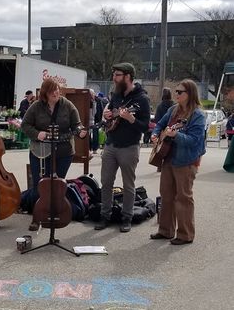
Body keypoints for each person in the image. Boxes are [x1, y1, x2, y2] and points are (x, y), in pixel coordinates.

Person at [21, 77, 87, 231]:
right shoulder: (36, 106)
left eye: (57, 89)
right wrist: (37, 134)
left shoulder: (67, 105)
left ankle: (55, 215)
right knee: (40, 185)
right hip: (40, 151)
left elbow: (76, 125)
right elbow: (25, 125)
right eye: (52, 90)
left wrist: (81, 132)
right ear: (45, 93)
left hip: (63, 151)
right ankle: (37, 217)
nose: (56, 93)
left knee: (57, 184)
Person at [94, 62, 150, 233]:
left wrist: (131, 119)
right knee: (106, 182)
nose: (114, 78)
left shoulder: (142, 99)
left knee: (128, 185)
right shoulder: (116, 94)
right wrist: (107, 114)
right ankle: (105, 216)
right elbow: (109, 112)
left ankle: (127, 218)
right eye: (114, 74)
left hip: (129, 146)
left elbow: (145, 126)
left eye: (117, 75)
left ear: (128, 77)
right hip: (111, 144)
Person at [150, 79, 206, 245]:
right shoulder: (173, 110)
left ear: (190, 94)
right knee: (166, 195)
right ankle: (165, 230)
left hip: (186, 161)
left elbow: (194, 141)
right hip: (167, 157)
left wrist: (176, 135)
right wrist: (155, 134)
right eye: (176, 91)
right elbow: (159, 124)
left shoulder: (198, 115)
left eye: (180, 92)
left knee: (183, 198)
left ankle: (185, 234)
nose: (176, 94)